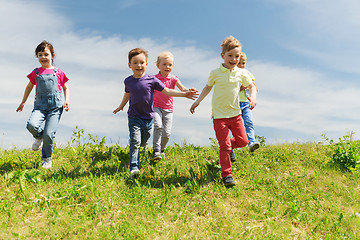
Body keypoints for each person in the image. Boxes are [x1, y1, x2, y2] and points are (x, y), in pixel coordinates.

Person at [113, 48, 198, 177]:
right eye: (135, 63)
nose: (139, 65)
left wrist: (184, 94)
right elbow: (127, 94)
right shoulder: (128, 81)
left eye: (142, 62)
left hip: (148, 117)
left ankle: (139, 145)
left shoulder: (152, 80)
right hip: (134, 116)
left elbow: (168, 91)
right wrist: (121, 106)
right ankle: (134, 167)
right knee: (135, 142)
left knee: (143, 141)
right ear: (130, 65)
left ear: (146, 64)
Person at [190, 36, 257, 187]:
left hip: (235, 114)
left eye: (237, 56)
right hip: (219, 116)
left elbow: (252, 86)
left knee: (243, 141)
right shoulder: (215, 73)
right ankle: (227, 175)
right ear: (223, 56)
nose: (234, 59)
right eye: (230, 56)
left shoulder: (241, 73)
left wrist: (252, 97)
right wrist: (198, 101)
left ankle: (228, 147)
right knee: (224, 146)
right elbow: (207, 87)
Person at [16, 40, 70, 169]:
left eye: (46, 54)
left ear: (52, 55)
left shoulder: (59, 72)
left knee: (49, 133)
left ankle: (46, 159)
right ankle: (38, 137)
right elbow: (29, 87)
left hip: (55, 107)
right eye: (40, 55)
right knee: (31, 125)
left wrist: (66, 100)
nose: (43, 57)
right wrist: (23, 102)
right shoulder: (36, 72)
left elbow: (65, 87)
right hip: (40, 106)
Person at [152, 51, 191, 160]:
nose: (167, 67)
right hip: (155, 107)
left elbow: (183, 89)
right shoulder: (154, 79)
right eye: (164, 64)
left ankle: (162, 149)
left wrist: (189, 90)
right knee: (158, 126)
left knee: (167, 133)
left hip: (168, 109)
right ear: (158, 66)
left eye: (170, 65)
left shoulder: (174, 78)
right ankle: (156, 150)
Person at [230, 52, 260, 162]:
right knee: (236, 126)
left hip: (245, 103)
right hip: (234, 103)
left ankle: (251, 143)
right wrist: (241, 86)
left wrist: (250, 90)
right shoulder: (231, 74)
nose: (241, 65)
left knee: (249, 122)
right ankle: (231, 144)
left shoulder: (247, 73)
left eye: (244, 63)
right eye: (239, 63)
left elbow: (254, 87)